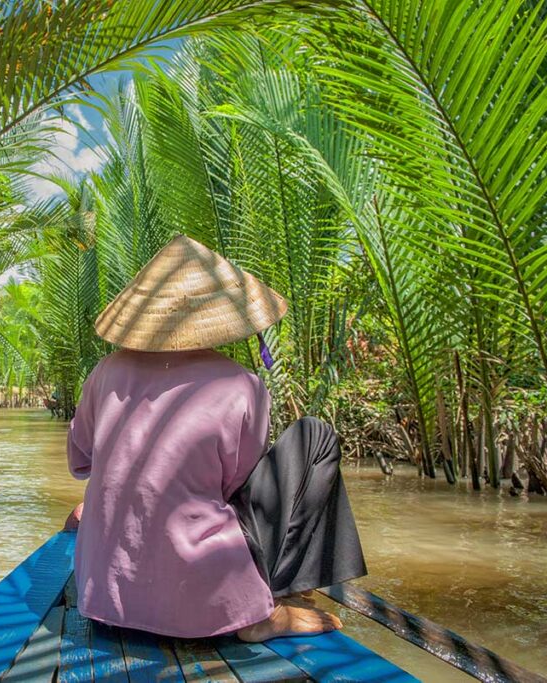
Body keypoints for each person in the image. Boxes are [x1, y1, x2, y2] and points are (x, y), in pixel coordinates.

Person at [63, 235, 367, 641]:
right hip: (205, 604)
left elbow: (81, 460)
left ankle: (263, 597)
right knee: (315, 436)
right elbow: (235, 488)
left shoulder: (105, 373)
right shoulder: (244, 385)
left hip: (104, 601)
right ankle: (265, 608)